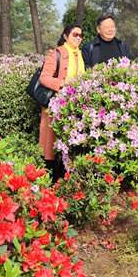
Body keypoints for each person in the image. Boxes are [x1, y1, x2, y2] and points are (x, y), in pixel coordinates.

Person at [39, 23, 85, 179]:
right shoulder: (56, 54)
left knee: (67, 147)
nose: (78, 38)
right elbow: (44, 78)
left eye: (81, 35)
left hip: (73, 109)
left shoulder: (79, 56)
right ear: (65, 36)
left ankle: (65, 183)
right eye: (75, 34)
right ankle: (49, 185)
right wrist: (63, 83)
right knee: (50, 149)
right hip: (55, 108)